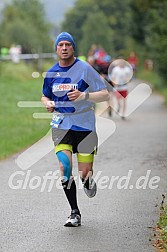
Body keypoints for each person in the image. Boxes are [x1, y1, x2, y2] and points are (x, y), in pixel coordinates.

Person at [41, 32, 109, 227]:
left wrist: (84, 96)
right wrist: (48, 103)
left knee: (85, 173)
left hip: (85, 125)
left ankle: (87, 181)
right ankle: (74, 212)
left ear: (73, 48)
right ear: (56, 49)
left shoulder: (85, 69)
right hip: (61, 125)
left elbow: (104, 94)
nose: (64, 48)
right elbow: (44, 95)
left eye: (67, 44)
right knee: (64, 167)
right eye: (60, 44)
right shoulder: (51, 73)